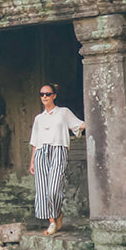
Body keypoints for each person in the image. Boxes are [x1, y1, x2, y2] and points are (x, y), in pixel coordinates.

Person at [29, 83, 85, 235]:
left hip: (58, 150)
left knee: (54, 189)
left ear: (54, 95)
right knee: (42, 189)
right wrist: (32, 161)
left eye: (48, 94)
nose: (45, 97)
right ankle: (52, 221)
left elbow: (80, 125)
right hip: (41, 152)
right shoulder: (39, 118)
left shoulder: (63, 112)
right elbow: (35, 140)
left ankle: (58, 213)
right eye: (42, 94)